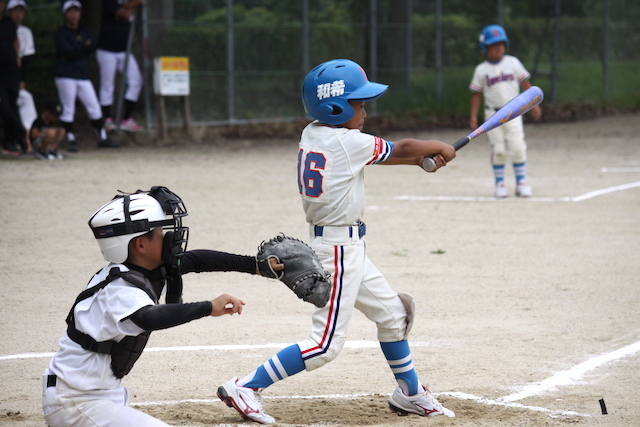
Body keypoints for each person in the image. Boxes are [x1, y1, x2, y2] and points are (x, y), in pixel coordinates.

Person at [217, 59, 456, 424]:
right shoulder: (348, 141)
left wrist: (415, 161)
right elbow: (403, 145)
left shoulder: (316, 133)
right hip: (338, 251)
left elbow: (370, 156)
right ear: (335, 107)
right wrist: (436, 146)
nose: (364, 111)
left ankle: (410, 393)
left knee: (393, 315)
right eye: (358, 104)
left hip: (348, 247)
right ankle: (246, 386)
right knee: (325, 345)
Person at [42, 186, 284, 427]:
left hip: (91, 398)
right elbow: (150, 317)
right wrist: (208, 307)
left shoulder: (137, 269)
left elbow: (198, 259)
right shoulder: (119, 288)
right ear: (140, 245)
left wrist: (255, 266)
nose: (169, 237)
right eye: (159, 231)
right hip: (76, 404)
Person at [469, 24, 542, 198]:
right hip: (492, 115)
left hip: (514, 112)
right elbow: (476, 95)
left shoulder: (513, 63)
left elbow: (525, 84)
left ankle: (521, 182)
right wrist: (473, 116)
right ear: (485, 47)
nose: (498, 47)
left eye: (501, 43)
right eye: (494, 44)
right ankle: (500, 184)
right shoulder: (481, 69)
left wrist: (535, 104)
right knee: (499, 149)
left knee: (517, 147)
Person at [54, 0, 118, 152]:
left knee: (94, 107)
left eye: (76, 11)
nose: (74, 15)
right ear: (65, 14)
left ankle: (102, 137)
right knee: (68, 107)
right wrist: (83, 48)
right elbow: (65, 53)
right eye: (70, 11)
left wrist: (77, 50)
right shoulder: (61, 33)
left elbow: (91, 47)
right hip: (65, 75)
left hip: (82, 76)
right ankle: (70, 139)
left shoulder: (84, 31)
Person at [97, 0, 144, 132]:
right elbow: (123, 14)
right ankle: (107, 120)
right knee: (107, 84)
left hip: (124, 51)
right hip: (107, 50)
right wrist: (129, 7)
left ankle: (127, 118)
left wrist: (126, 7)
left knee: (136, 81)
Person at [6, 0, 37, 150]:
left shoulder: (25, 32)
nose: (18, 15)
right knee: (7, 108)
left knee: (25, 99)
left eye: (21, 11)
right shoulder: (4, 29)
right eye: (15, 11)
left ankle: (29, 132)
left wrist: (22, 79)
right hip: (5, 76)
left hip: (15, 77)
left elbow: (26, 59)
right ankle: (16, 136)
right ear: (8, 13)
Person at [0, 0, 28, 156]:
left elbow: (14, 40)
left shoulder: (8, 23)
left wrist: (17, 56)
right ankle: (21, 132)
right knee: (5, 109)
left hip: (11, 72)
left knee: (12, 107)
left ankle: (9, 143)